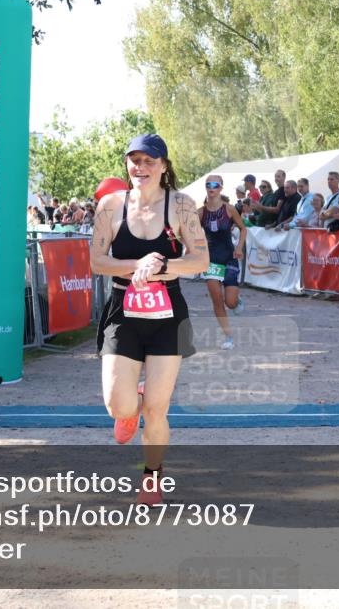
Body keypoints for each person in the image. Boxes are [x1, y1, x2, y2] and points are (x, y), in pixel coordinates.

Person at [90, 134, 208, 507]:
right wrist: (135, 265)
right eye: (134, 160)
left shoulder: (182, 205)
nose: (140, 168)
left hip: (167, 317)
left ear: (164, 166)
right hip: (123, 313)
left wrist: (163, 265)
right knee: (118, 406)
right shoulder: (110, 206)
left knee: (158, 409)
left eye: (149, 161)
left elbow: (200, 260)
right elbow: (97, 262)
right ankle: (130, 406)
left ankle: (152, 479)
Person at [198, 176, 248, 349]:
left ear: (221, 188)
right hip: (211, 261)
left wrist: (239, 247)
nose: (211, 188)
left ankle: (237, 301)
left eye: (215, 185)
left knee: (230, 302)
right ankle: (229, 337)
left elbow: (243, 228)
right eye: (208, 185)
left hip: (228, 257)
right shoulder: (200, 212)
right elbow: (190, 234)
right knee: (217, 300)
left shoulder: (230, 209)